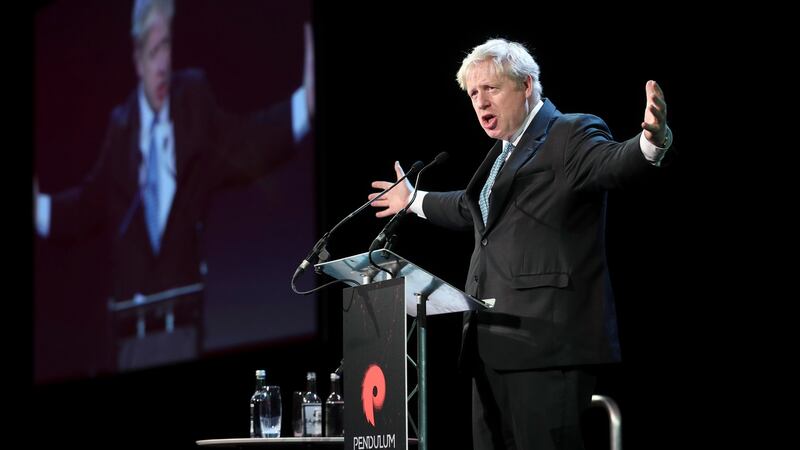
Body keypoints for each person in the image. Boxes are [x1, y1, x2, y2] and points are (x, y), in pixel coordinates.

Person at [369, 38, 673, 450]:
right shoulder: (500, 157)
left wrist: (651, 144)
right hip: (490, 347)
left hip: (547, 346)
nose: (480, 102)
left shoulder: (569, 132)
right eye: (473, 94)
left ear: (526, 85)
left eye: (490, 89)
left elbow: (614, 162)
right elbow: (469, 207)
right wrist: (413, 202)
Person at [34, 0, 314, 371]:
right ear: (137, 61)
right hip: (129, 336)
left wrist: (304, 105)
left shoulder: (192, 104)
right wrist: (37, 207)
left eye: (166, 46)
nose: (163, 64)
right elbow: (88, 204)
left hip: (182, 328)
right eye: (153, 52)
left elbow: (246, 141)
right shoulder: (121, 127)